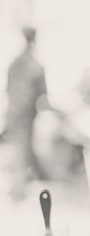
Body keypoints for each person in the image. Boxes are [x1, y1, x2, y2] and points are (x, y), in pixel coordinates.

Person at [4, 26, 49, 201]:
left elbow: (8, 89)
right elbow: (43, 97)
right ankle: (18, 190)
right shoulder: (37, 66)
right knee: (22, 149)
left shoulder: (14, 63)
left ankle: (23, 184)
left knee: (19, 148)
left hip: (14, 112)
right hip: (25, 114)